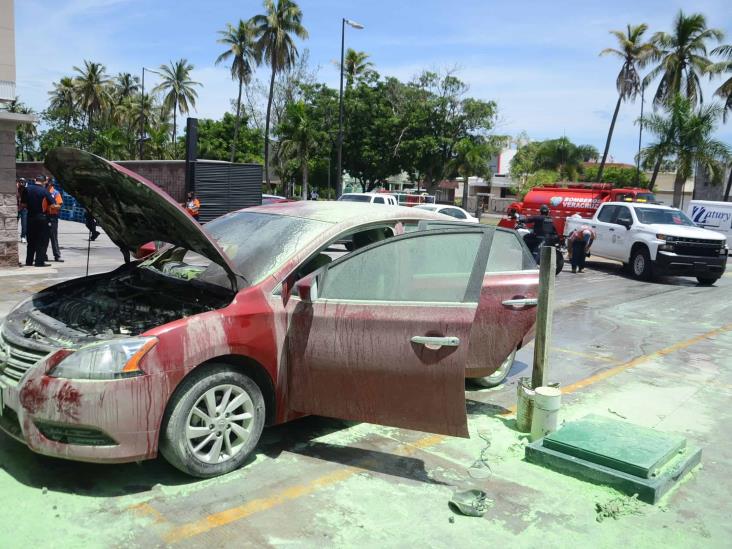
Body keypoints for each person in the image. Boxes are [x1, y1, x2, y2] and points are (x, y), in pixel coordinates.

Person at [21, 175, 56, 267]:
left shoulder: (27, 189)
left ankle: (29, 261)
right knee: (42, 241)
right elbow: (53, 204)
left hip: (30, 217)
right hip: (42, 218)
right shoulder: (45, 191)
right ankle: (39, 262)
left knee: (31, 240)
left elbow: (23, 204)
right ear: (44, 182)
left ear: (35, 180)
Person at [43, 178, 64, 262]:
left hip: (52, 217)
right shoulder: (43, 192)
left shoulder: (55, 193)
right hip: (44, 216)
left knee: (53, 237)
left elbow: (59, 205)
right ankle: (43, 255)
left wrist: (51, 206)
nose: (45, 184)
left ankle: (57, 255)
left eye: (47, 182)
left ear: (50, 184)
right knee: (44, 237)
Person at [16, 178, 28, 244]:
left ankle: (23, 237)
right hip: (16, 208)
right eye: (21, 182)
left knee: (24, 224)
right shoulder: (16, 190)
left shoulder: (26, 190)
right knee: (14, 224)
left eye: (23, 182)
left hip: (24, 209)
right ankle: (13, 236)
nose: (22, 183)